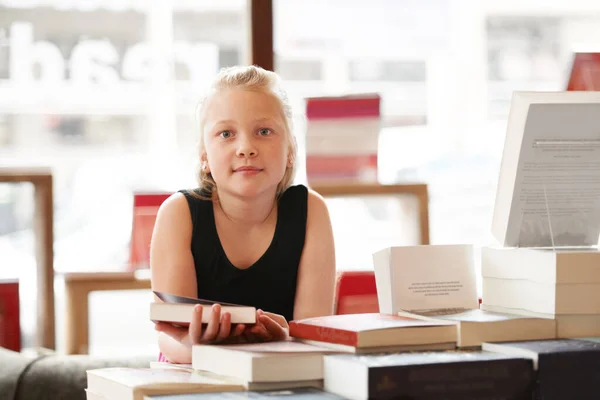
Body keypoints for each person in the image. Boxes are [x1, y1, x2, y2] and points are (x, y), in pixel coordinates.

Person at [150, 65, 337, 364]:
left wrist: (285, 340)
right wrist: (199, 348)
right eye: (226, 134)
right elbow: (169, 335)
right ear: (204, 157)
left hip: (281, 373)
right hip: (191, 373)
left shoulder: (311, 211)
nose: (246, 148)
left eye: (264, 131)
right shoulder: (178, 213)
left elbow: (315, 334)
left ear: (289, 151)